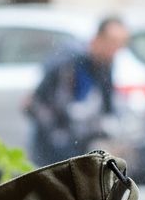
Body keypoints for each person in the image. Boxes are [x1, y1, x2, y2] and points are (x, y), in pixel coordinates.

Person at [24, 14, 130, 166]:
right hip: (53, 148)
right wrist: (61, 139)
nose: (115, 50)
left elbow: (108, 108)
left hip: (79, 147)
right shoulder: (69, 62)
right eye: (112, 43)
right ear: (98, 39)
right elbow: (39, 104)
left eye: (120, 45)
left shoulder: (105, 65)